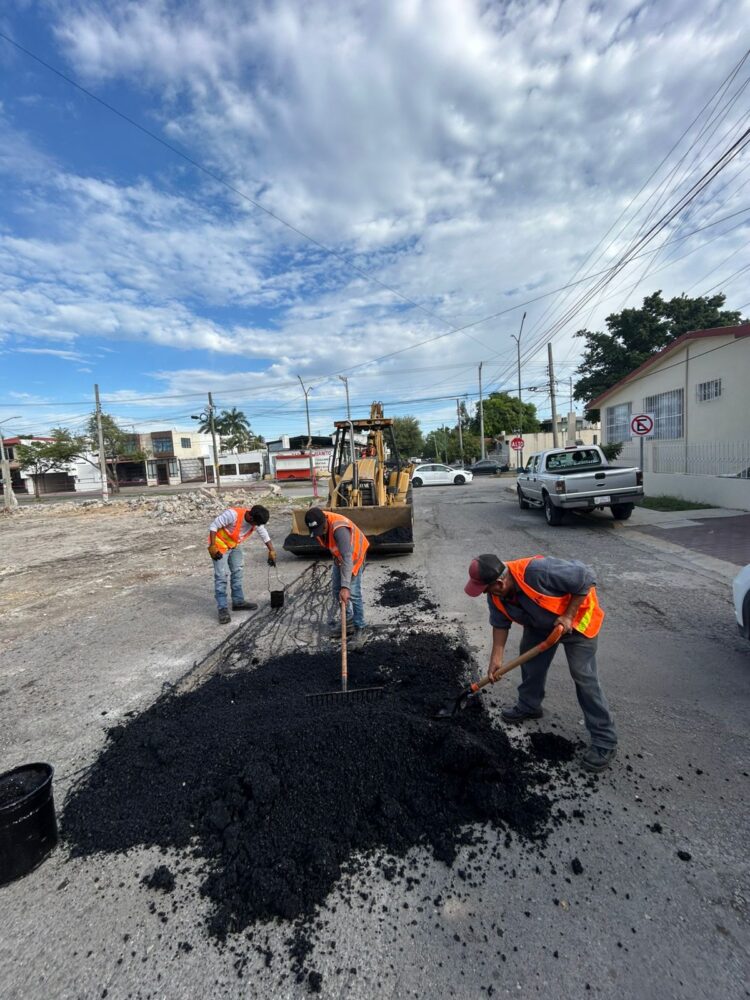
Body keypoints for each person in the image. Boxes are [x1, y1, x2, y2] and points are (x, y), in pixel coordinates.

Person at [464, 553, 617, 772]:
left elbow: (586, 576)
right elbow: (499, 624)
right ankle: (529, 705)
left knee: (584, 677)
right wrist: (496, 659)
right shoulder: (496, 594)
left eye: (486, 589)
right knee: (531, 664)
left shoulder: (537, 571)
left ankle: (605, 740)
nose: (484, 594)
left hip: (578, 622)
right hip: (541, 625)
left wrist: (568, 616)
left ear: (499, 583)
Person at [304, 507, 368, 638]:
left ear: (325, 522)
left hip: (353, 556)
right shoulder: (318, 521)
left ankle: (360, 627)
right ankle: (348, 622)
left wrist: (345, 586)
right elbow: (333, 546)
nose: (319, 534)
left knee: (353, 593)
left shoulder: (339, 529)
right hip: (340, 556)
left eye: (320, 530)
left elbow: (347, 557)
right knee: (335, 590)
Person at [208, 504, 277, 624]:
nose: (256, 527)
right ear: (250, 517)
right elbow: (213, 526)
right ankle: (222, 608)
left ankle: (238, 602)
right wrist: (212, 546)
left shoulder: (256, 520)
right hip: (219, 545)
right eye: (255, 524)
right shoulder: (232, 515)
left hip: (234, 545)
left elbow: (264, 534)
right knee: (221, 576)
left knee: (238, 571)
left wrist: (271, 550)